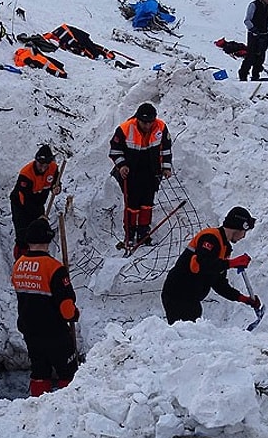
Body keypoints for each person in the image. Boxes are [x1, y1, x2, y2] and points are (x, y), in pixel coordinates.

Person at [11, 218, 79, 397]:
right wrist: (74, 315)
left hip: (30, 331)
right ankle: (70, 407)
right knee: (68, 373)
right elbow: (66, 308)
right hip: (54, 332)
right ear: (48, 240)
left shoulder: (18, 265)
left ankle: (37, 407)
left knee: (39, 372)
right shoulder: (55, 268)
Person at [161, 207, 260, 324]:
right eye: (244, 232)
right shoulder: (210, 237)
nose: (243, 236)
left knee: (191, 327)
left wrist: (243, 299)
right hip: (177, 294)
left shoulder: (225, 248)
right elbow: (200, 264)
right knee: (186, 332)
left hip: (191, 298)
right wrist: (232, 263)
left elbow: (218, 283)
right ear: (238, 227)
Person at [109, 103, 172, 246]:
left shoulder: (161, 127)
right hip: (132, 174)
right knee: (132, 205)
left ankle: (144, 232)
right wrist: (122, 165)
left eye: (150, 122)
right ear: (138, 119)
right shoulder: (125, 129)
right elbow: (115, 150)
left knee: (147, 204)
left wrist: (166, 167)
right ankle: (130, 233)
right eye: (144, 122)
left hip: (152, 173)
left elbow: (166, 149)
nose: (147, 125)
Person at [10, 145, 61, 259]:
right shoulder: (26, 175)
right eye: (39, 164)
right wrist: (39, 216)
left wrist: (56, 188)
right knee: (23, 233)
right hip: (21, 205)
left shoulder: (53, 169)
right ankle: (20, 260)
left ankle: (37, 257)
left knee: (38, 231)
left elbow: (56, 183)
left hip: (38, 202)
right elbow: (25, 201)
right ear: (36, 161)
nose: (42, 168)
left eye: (45, 165)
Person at [238, 0, 268, 82]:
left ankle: (255, 76)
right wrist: (253, 29)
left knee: (261, 57)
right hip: (254, 34)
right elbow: (247, 20)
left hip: (264, 34)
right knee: (251, 55)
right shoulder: (254, 5)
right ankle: (243, 74)